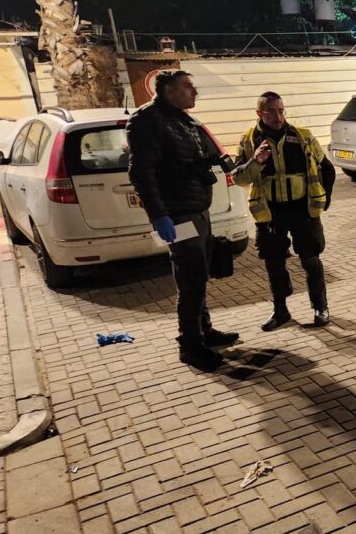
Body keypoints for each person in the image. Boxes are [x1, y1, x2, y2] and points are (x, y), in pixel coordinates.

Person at [128, 70, 239, 371]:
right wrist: (159, 215)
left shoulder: (182, 120)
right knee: (190, 280)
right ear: (168, 90)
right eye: (187, 87)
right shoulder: (148, 120)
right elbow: (142, 173)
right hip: (177, 214)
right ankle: (190, 346)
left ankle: (204, 331)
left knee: (199, 276)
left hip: (197, 209)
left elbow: (182, 162)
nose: (194, 92)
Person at [231, 91, 334, 331]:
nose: (278, 117)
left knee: (311, 260)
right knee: (274, 263)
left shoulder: (302, 136)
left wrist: (324, 200)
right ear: (259, 113)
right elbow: (238, 178)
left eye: (281, 110)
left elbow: (326, 168)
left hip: (302, 210)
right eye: (271, 112)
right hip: (270, 213)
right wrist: (256, 161)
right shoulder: (249, 140)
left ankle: (320, 307)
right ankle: (280, 311)